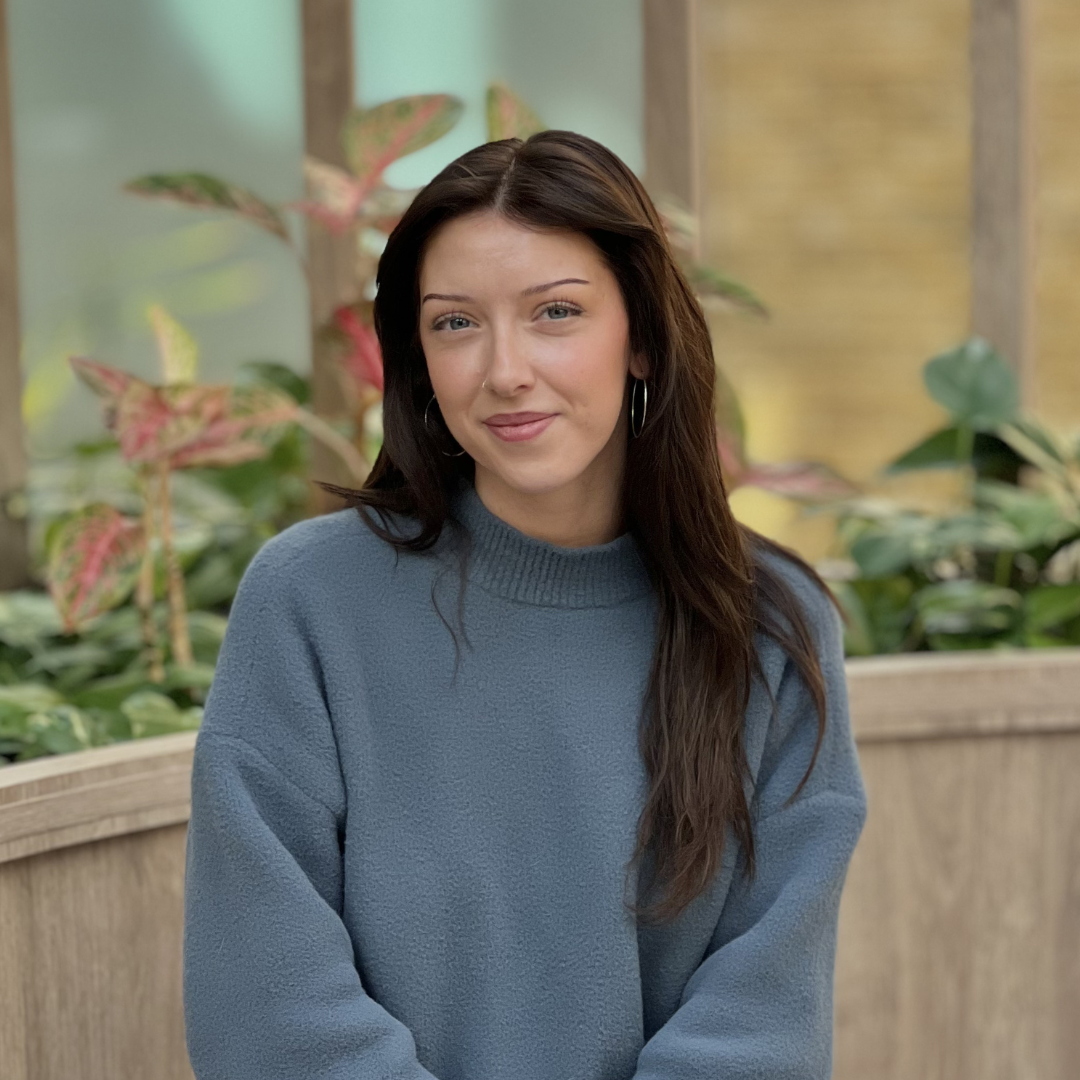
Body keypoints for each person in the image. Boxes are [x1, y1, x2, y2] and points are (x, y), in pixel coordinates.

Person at [182, 129, 867, 1080]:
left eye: (555, 312)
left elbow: (764, 1013)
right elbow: (270, 1000)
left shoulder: (769, 625)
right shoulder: (309, 602)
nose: (505, 369)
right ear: (417, 358)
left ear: (641, 337)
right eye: (455, 323)